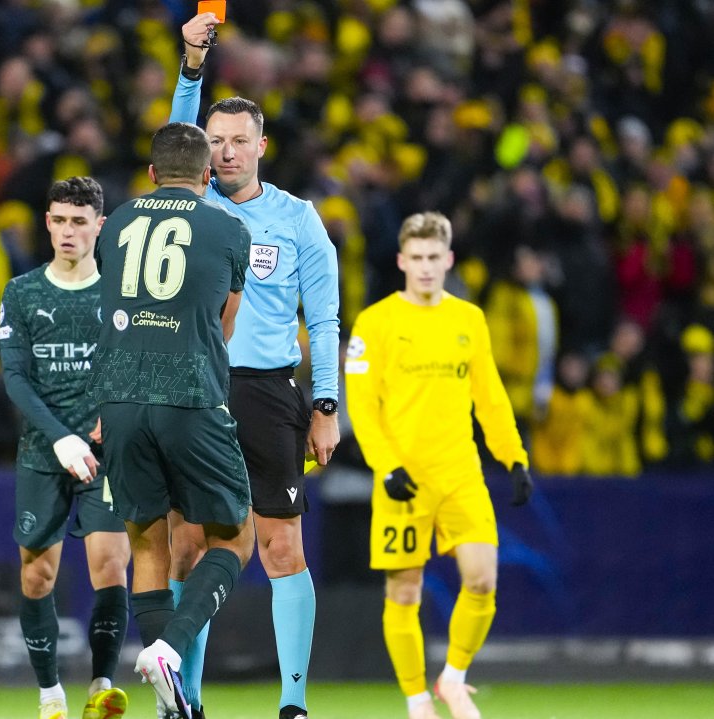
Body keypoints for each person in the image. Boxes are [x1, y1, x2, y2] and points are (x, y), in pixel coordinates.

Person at [165, 13, 342, 719]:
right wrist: (192, 61)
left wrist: (326, 404)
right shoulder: (190, 203)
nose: (227, 152)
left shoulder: (298, 220)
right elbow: (175, 134)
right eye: (215, 141)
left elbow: (324, 319)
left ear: (262, 146)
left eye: (239, 141)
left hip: (268, 392)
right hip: (193, 388)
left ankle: (293, 702)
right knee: (188, 548)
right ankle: (189, 698)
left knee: (280, 545)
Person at [90, 121, 254, 719]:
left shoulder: (117, 225)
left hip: (120, 401)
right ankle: (171, 650)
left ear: (152, 174)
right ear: (207, 176)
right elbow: (225, 323)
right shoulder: (228, 228)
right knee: (236, 537)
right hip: (191, 397)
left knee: (146, 543)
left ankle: (174, 706)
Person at [345, 211, 534, 719]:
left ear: (448, 260)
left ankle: (453, 678)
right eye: (418, 259)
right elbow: (361, 406)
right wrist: (385, 465)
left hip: (460, 472)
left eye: (435, 258)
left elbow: (490, 397)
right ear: (403, 260)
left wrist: (513, 456)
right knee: (404, 589)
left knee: (482, 580)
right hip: (403, 476)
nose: (426, 268)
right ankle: (416, 700)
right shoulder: (376, 323)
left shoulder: (468, 320)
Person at [0, 176, 131, 719]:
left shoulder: (121, 291)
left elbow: (134, 365)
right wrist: (62, 437)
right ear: (46, 223)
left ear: (100, 226)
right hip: (43, 451)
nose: (67, 231)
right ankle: (50, 692)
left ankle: (100, 686)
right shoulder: (24, 292)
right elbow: (16, 379)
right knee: (38, 574)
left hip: (107, 453)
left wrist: (110, 417)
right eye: (58, 220)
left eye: (79, 221)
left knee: (110, 565)